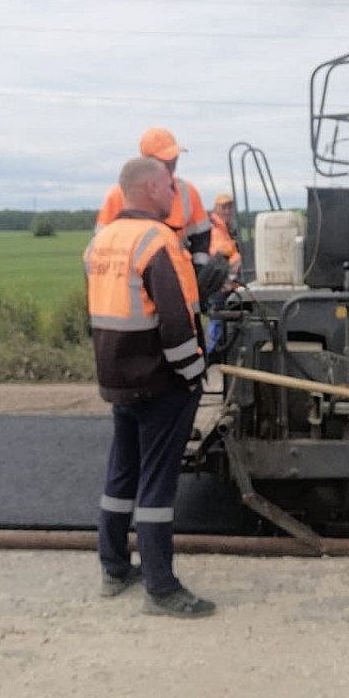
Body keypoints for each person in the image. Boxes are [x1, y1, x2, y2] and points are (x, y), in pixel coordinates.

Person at [84, 155, 215, 618]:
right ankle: (161, 588)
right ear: (149, 189)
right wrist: (194, 373)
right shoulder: (158, 241)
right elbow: (177, 321)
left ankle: (114, 567)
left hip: (117, 378)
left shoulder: (101, 242)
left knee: (122, 475)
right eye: (167, 184)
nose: (173, 191)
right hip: (160, 382)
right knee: (157, 487)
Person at [95, 127, 212, 271]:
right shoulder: (118, 194)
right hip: (134, 276)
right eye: (164, 160)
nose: (171, 164)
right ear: (147, 163)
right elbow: (101, 248)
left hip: (179, 274)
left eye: (174, 158)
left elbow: (201, 238)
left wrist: (199, 273)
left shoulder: (188, 191)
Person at [206, 193, 242, 354]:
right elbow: (218, 254)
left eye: (229, 207)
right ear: (216, 209)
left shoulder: (226, 229)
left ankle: (216, 351)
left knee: (221, 318)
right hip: (219, 284)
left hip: (227, 283)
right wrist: (237, 255)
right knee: (217, 317)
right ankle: (210, 353)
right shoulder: (215, 230)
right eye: (223, 207)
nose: (227, 211)